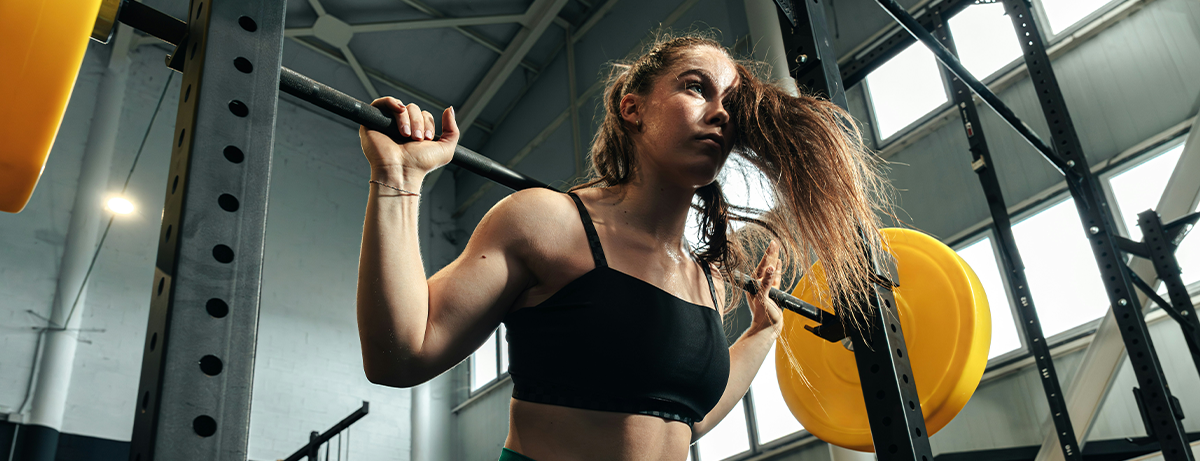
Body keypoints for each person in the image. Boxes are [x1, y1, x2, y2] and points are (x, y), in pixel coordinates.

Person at [355, 33, 891, 461]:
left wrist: (764, 331)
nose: (722, 112)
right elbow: (400, 357)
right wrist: (398, 181)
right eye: (696, 87)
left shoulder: (700, 278)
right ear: (632, 108)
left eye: (732, 102)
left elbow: (682, 419)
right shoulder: (547, 221)